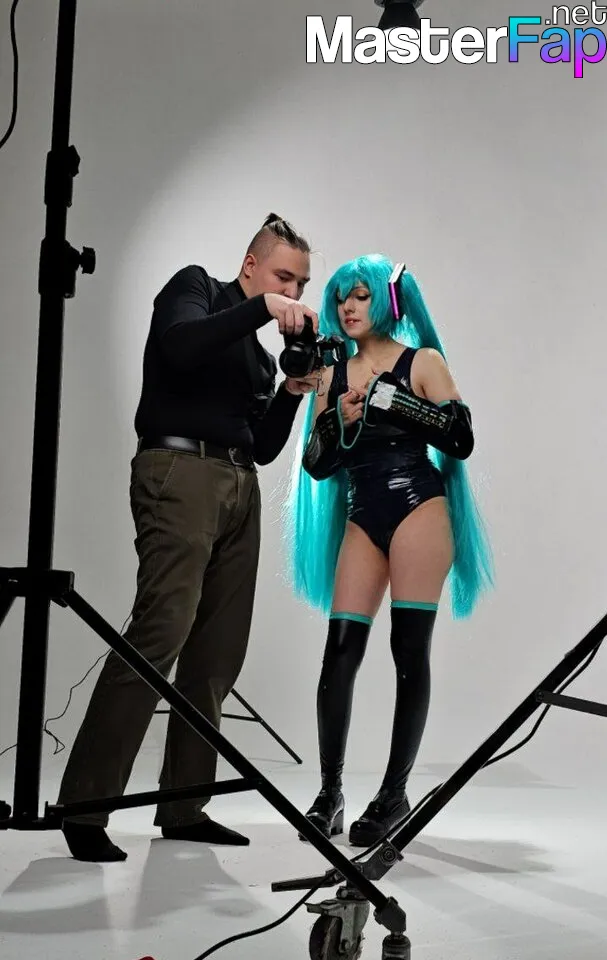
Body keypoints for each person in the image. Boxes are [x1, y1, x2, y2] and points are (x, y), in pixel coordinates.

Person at [57, 213, 320, 862]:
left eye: (300, 283)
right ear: (251, 265)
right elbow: (178, 347)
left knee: (217, 652)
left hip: (239, 486)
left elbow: (262, 446)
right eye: (284, 277)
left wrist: (291, 391)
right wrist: (261, 308)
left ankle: (184, 806)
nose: (293, 292)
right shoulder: (195, 288)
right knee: (160, 632)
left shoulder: (258, 355)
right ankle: (85, 807)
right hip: (178, 472)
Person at [283, 254, 494, 847]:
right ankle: (329, 793)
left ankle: (394, 795)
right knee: (340, 651)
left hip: (419, 507)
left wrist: (395, 403)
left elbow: (461, 438)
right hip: (363, 511)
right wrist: (338, 419)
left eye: (361, 296)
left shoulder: (422, 362)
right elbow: (317, 466)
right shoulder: (331, 374)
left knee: (408, 649)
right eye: (341, 297)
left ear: (387, 300)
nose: (348, 307)